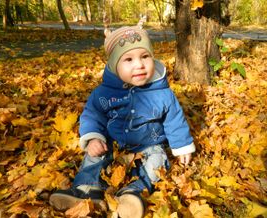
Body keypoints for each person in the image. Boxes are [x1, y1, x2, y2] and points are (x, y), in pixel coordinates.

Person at [49, 21, 196, 218]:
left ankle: (134, 193)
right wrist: (93, 137)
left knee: (158, 160)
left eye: (145, 56)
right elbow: (93, 114)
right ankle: (86, 190)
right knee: (95, 154)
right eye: (128, 60)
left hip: (148, 145)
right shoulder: (104, 93)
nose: (139, 65)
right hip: (113, 143)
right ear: (114, 65)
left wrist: (182, 146)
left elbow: (174, 119)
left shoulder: (163, 93)